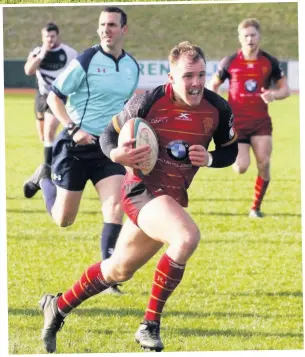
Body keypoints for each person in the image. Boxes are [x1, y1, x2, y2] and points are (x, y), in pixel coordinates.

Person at [38, 41, 238, 353]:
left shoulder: (218, 108)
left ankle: (58, 306)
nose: (196, 83)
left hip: (170, 199)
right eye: (188, 76)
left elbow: (230, 152)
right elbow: (108, 134)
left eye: (201, 74)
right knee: (186, 237)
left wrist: (210, 158)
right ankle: (149, 326)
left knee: (118, 270)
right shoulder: (148, 101)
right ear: (171, 77)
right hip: (140, 191)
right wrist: (116, 152)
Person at [23, 7, 140, 294]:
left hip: (106, 147)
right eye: (102, 25)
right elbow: (54, 97)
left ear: (124, 29)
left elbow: (125, 108)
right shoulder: (86, 60)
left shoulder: (131, 67)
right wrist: (74, 128)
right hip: (74, 146)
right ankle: (45, 178)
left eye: (112, 25)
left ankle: (108, 277)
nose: (105, 30)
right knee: (64, 219)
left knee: (114, 207)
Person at [207, 18, 290, 218]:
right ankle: (244, 174)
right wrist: (218, 105)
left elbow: (285, 90)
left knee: (264, 163)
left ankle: (255, 208)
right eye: (246, 35)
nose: (250, 39)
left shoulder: (269, 62)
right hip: (237, 124)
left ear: (259, 37)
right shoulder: (230, 62)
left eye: (253, 35)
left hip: (261, 122)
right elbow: (212, 86)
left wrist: (273, 95)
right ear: (240, 38)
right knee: (241, 167)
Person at [24, 22, 78, 172]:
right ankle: (55, 159)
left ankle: (48, 169)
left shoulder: (69, 53)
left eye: (52, 36)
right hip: (41, 96)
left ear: (57, 36)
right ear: (43, 37)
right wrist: (42, 54)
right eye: (47, 36)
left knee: (49, 131)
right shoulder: (37, 52)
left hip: (57, 97)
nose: (50, 39)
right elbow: (28, 70)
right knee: (43, 136)